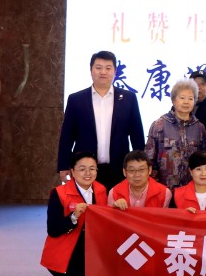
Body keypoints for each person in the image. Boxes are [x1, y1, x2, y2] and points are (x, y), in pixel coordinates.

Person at [57, 50, 144, 190]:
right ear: (91, 70)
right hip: (85, 170)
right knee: (85, 203)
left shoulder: (129, 99)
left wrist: (140, 166)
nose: (103, 72)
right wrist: (63, 165)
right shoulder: (76, 100)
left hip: (119, 168)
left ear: (115, 71)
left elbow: (137, 135)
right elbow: (67, 136)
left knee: (117, 203)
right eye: (98, 67)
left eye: (108, 68)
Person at [41, 152, 108, 276]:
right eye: (82, 169)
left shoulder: (101, 190)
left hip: (92, 248)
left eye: (92, 169)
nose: (88, 173)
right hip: (69, 248)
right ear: (72, 171)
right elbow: (53, 229)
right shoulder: (59, 193)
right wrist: (73, 217)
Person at [144, 79, 206, 191]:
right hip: (164, 190)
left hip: (192, 191)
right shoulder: (159, 125)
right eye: (182, 98)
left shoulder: (199, 128)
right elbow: (149, 160)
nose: (186, 102)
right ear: (173, 100)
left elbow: (204, 160)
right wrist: (157, 187)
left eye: (190, 98)